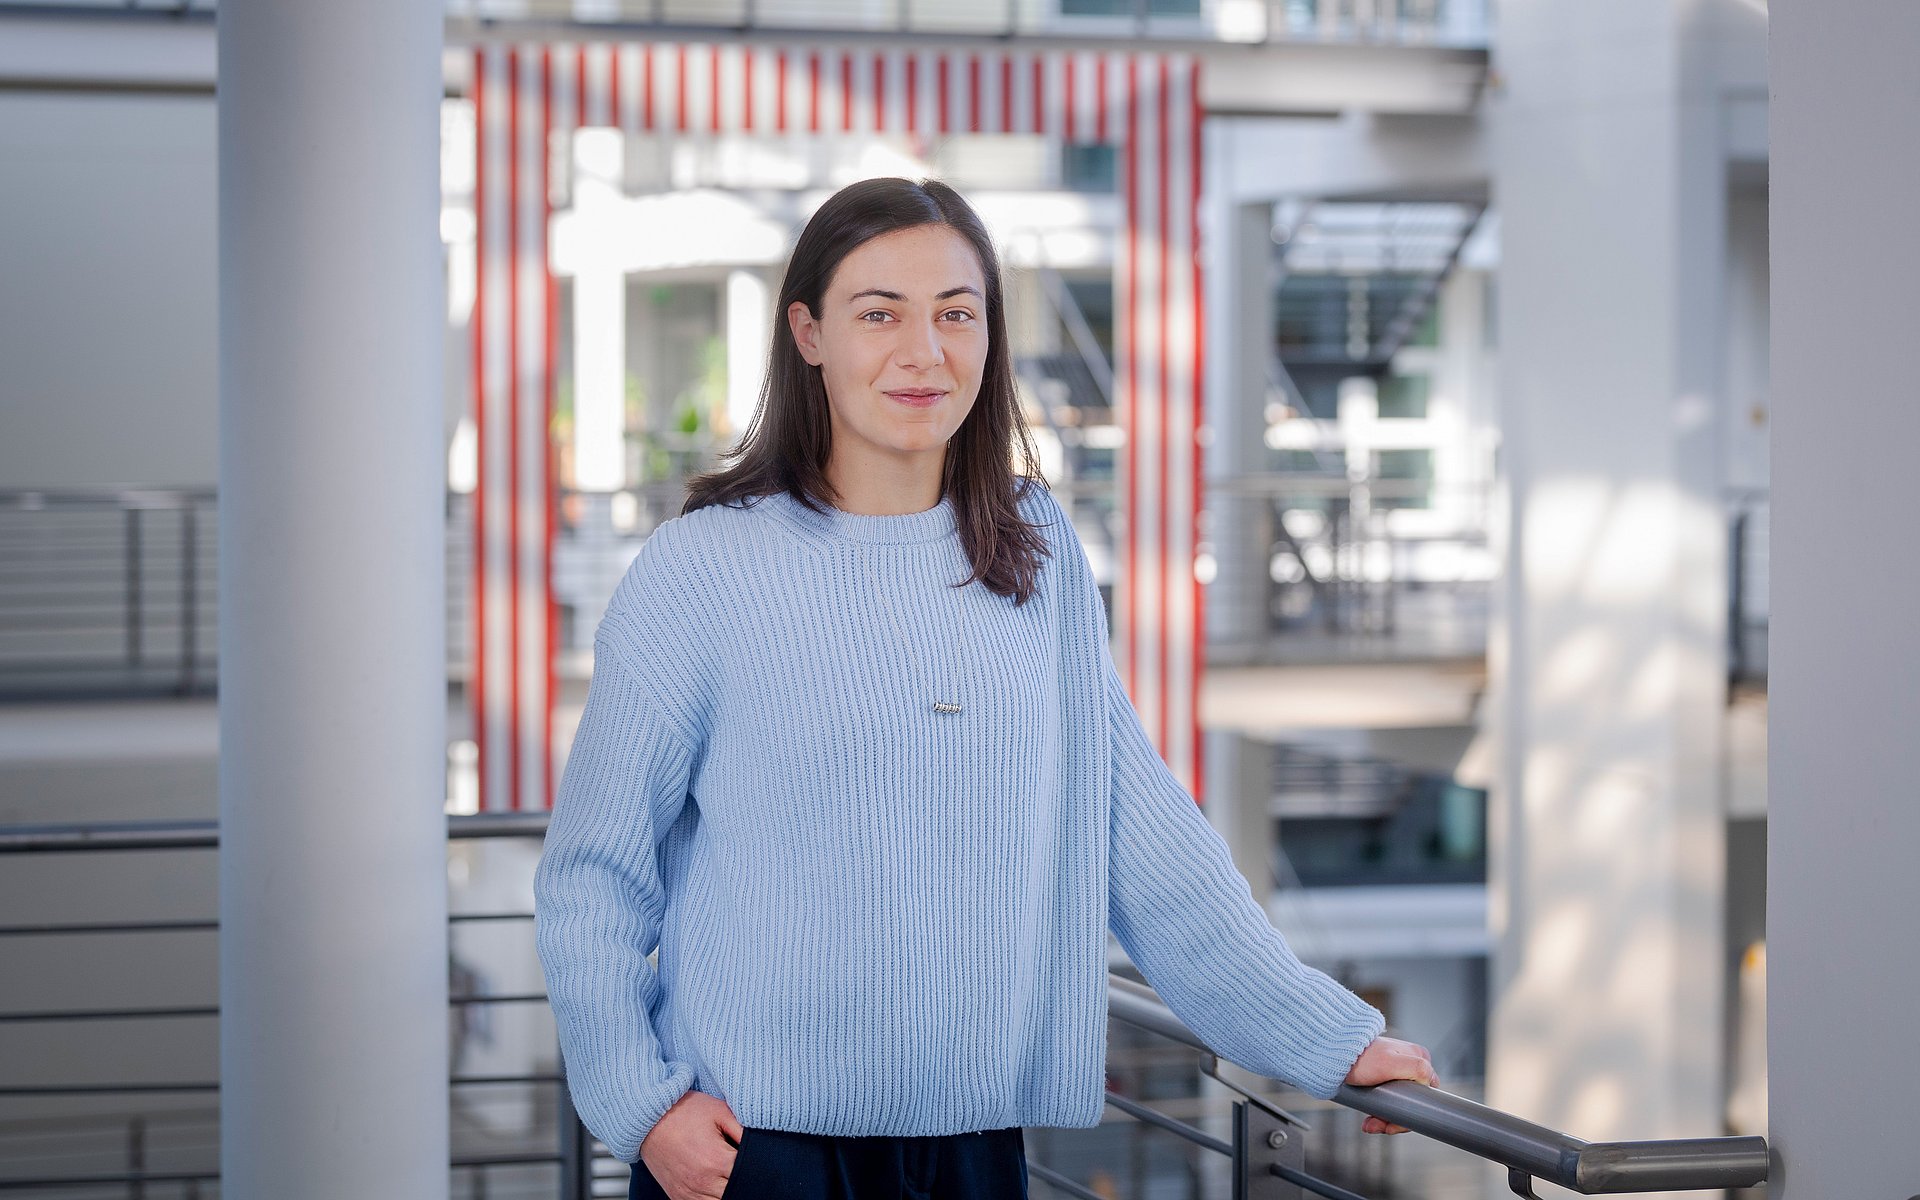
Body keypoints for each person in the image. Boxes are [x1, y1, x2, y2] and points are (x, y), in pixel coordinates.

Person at [533, 176, 1440, 1200]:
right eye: (880, 314)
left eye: (957, 314)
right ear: (809, 333)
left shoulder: (1037, 553)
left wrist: (1327, 1037)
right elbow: (595, 878)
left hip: (976, 1150)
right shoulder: (700, 570)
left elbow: (1145, 843)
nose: (925, 353)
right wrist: (642, 1108)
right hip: (752, 1154)